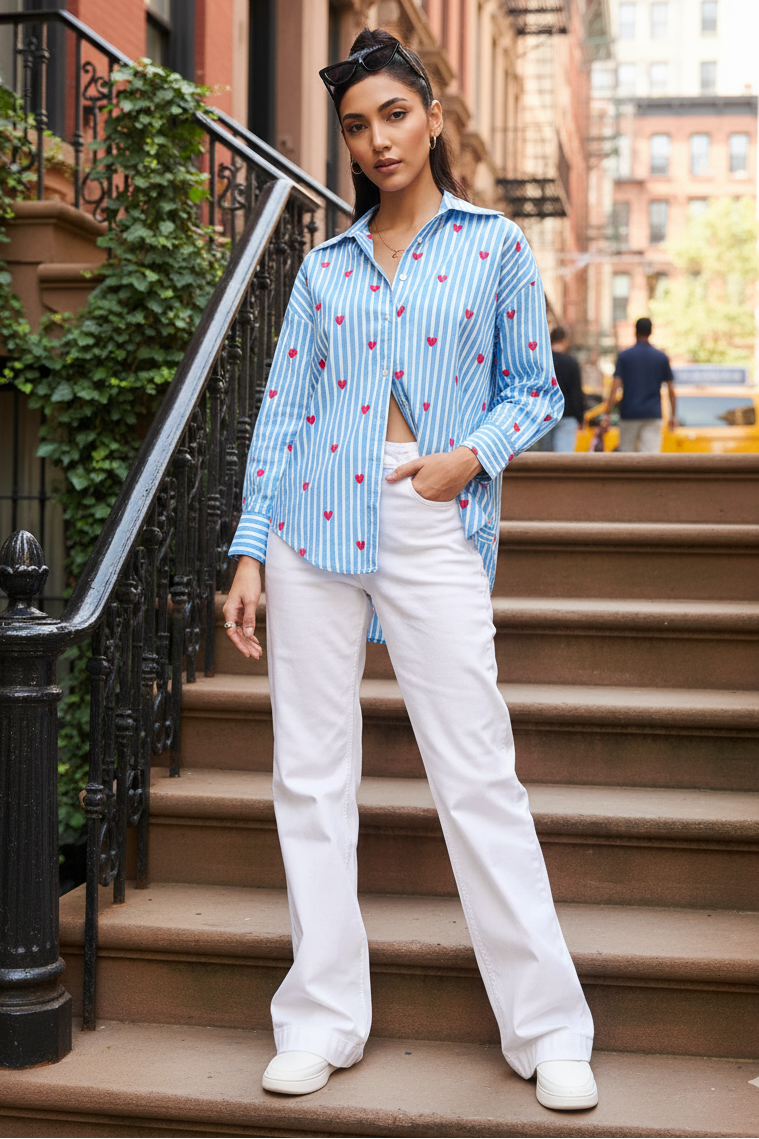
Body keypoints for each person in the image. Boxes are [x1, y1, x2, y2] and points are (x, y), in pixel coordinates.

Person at [222, 27, 597, 1113]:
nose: (376, 140)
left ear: (429, 116)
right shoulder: (323, 268)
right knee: (310, 775)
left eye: (392, 114)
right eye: (355, 126)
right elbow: (282, 410)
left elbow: (537, 390)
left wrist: (464, 459)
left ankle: (549, 1026)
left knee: (476, 767)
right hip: (308, 521)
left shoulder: (493, 248)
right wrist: (249, 545)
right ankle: (323, 1016)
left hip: (427, 510)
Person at [604, 317, 677, 451]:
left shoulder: (625, 356)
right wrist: (673, 416)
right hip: (652, 413)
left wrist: (607, 413)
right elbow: (671, 389)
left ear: (635, 331)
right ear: (651, 332)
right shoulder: (661, 357)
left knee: (627, 455)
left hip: (629, 413)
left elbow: (615, 386)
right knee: (650, 457)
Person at [539, 327, 584, 451]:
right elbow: (576, 392)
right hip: (567, 415)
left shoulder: (543, 361)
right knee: (563, 459)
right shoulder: (571, 362)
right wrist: (580, 417)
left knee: (545, 458)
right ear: (564, 341)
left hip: (545, 414)